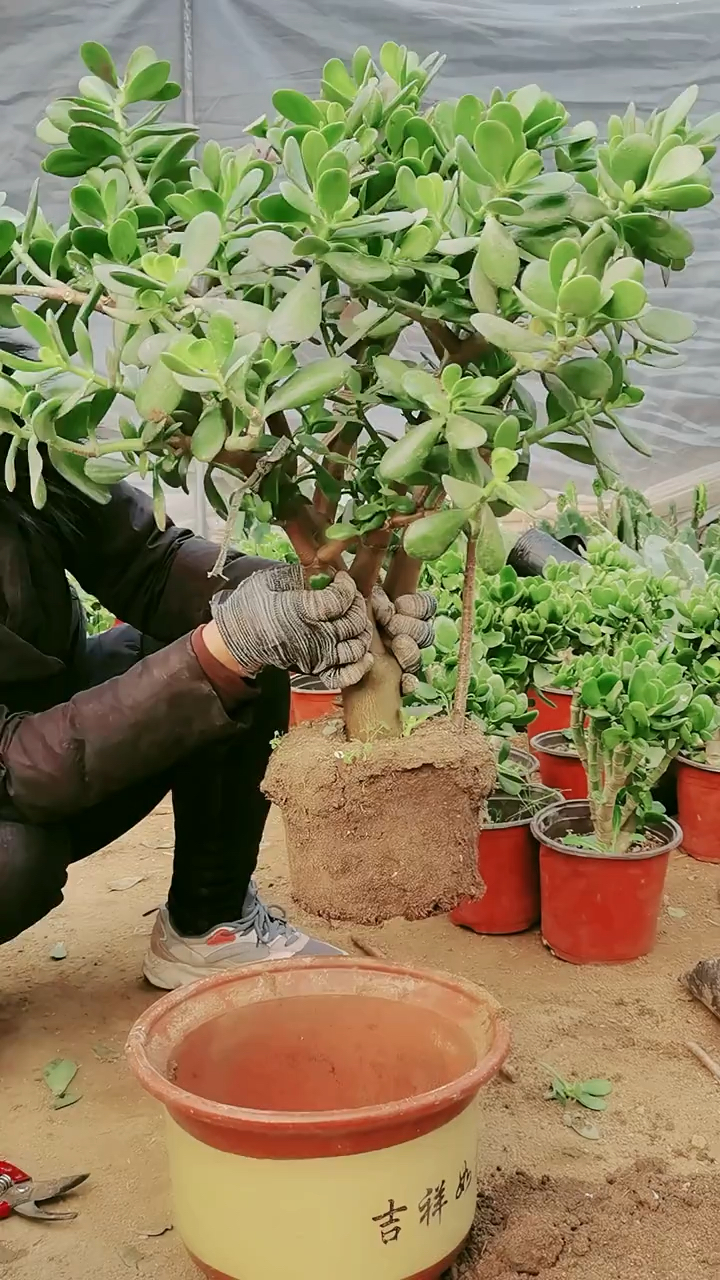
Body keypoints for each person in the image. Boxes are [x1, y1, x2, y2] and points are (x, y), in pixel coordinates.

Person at [0, 357, 436, 989]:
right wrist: (221, 649)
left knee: (247, 625)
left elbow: (147, 563)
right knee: (15, 861)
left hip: (50, 732)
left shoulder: (18, 435)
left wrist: (302, 595)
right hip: (16, 778)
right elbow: (12, 766)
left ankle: (208, 922)